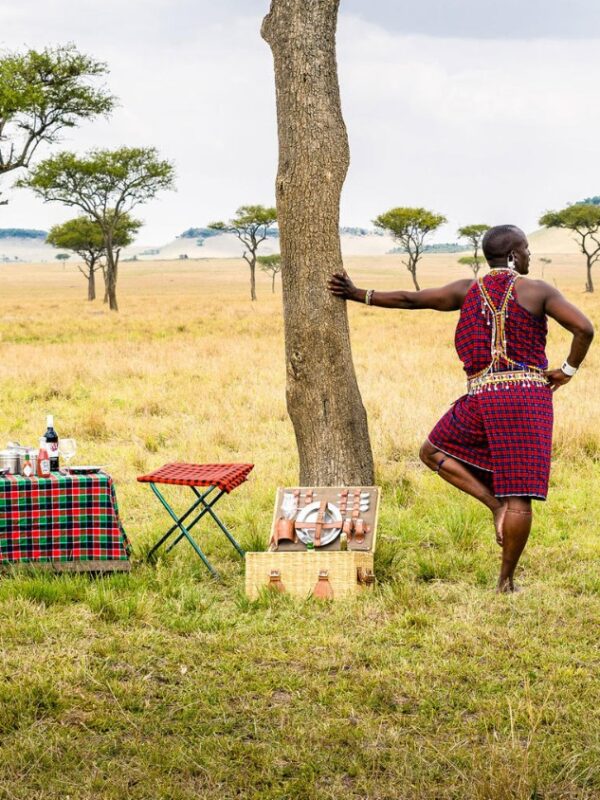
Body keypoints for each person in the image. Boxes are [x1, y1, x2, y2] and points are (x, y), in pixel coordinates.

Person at [328, 225, 594, 592]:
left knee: (431, 451)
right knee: (517, 495)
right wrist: (565, 372)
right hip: (528, 400)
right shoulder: (538, 290)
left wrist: (358, 294)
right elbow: (584, 329)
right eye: (527, 249)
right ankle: (505, 579)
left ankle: (494, 506)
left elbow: (410, 299)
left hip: (482, 396)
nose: (530, 255)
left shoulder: (466, 289)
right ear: (514, 256)